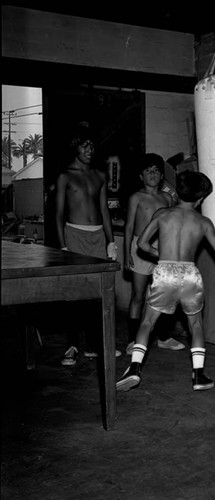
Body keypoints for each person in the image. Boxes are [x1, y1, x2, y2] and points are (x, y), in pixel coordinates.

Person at [116, 171, 215, 392]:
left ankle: (134, 369)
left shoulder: (162, 214)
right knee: (195, 324)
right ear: (201, 199)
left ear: (177, 192)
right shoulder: (203, 221)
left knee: (148, 322)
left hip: (165, 272)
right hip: (190, 274)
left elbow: (141, 243)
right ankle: (199, 376)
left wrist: (159, 253)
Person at [55, 123, 121, 366]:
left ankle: (95, 345)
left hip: (98, 238)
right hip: (74, 235)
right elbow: (58, 214)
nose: (90, 150)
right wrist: (62, 246)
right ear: (76, 148)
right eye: (85, 145)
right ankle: (72, 346)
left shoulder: (99, 175)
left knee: (98, 294)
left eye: (92, 146)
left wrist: (111, 242)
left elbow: (104, 210)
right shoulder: (65, 176)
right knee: (74, 293)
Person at [124, 153, 185, 355]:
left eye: (156, 170)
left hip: (163, 248)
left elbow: (173, 225)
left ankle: (163, 336)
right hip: (140, 248)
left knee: (165, 295)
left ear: (161, 176)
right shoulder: (136, 197)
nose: (152, 174)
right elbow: (129, 226)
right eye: (148, 170)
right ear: (141, 175)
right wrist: (126, 254)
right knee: (138, 295)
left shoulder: (167, 198)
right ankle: (133, 339)